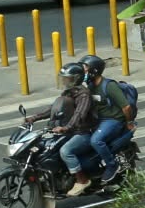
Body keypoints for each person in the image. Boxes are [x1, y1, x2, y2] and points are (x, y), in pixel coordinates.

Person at [25, 63, 101, 194]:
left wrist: (66, 127)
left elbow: (79, 114)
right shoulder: (68, 92)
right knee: (47, 148)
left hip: (83, 133)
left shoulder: (84, 95)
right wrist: (34, 118)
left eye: (67, 78)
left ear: (76, 79)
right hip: (70, 132)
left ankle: (82, 180)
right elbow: (53, 108)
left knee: (66, 151)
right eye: (63, 78)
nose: (64, 81)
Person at [81, 54, 136, 180]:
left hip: (113, 120)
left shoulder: (109, 86)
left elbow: (126, 107)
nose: (82, 71)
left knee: (96, 141)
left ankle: (112, 165)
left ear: (94, 70)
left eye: (85, 68)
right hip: (99, 119)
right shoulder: (90, 86)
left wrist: (129, 122)